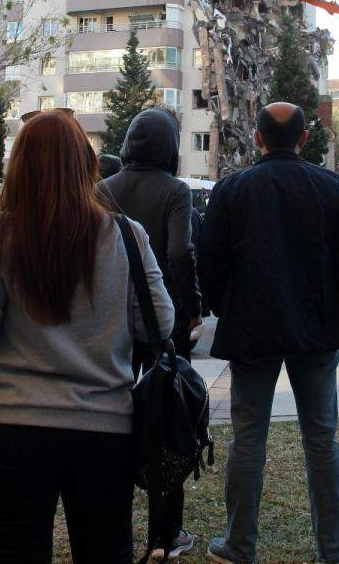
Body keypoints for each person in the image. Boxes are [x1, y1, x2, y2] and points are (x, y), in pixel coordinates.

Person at [0, 110, 175, 564]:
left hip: (14, 429)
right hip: (104, 430)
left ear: (19, 167)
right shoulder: (127, 234)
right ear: (87, 165)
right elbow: (160, 323)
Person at [199, 103, 339, 564]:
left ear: (257, 138)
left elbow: (209, 260)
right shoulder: (330, 186)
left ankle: (238, 546)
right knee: (321, 437)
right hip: (317, 328)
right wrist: (334, 300)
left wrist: (226, 307)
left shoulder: (233, 189)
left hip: (252, 328)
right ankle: (333, 548)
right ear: (305, 138)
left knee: (247, 436)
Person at [100, 107, 201, 559]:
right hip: (164, 323)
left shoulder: (103, 188)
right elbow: (180, 250)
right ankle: (167, 533)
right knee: (168, 420)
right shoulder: (175, 190)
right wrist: (190, 308)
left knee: (115, 417)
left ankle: (113, 521)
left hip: (113, 320)